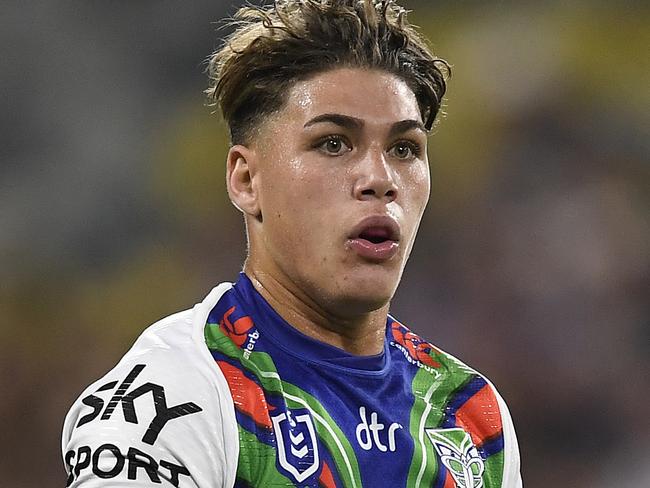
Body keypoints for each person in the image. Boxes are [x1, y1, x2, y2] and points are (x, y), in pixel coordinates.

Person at [62, 1, 522, 486]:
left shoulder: (469, 415)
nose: (380, 179)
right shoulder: (176, 396)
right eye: (333, 143)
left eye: (404, 149)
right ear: (246, 180)